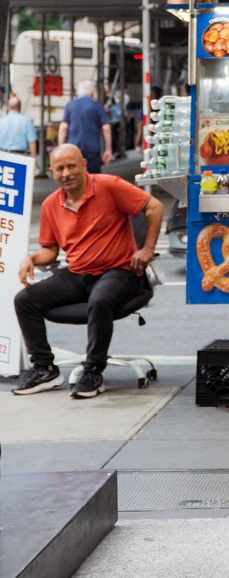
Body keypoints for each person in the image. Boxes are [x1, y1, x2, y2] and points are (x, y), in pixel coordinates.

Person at [11, 144, 162, 399]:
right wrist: (32, 258)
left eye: (71, 166)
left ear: (83, 164)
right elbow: (50, 250)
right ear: (51, 172)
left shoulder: (109, 185)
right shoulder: (50, 205)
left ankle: (93, 371)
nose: (66, 173)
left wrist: (147, 248)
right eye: (60, 168)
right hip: (78, 273)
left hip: (121, 271)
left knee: (100, 300)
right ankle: (44, 368)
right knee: (25, 300)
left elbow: (154, 206)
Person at [58, 80, 112, 173]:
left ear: (78, 92)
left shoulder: (70, 105)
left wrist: (61, 148)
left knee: (75, 178)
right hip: (93, 149)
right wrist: (108, 149)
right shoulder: (97, 106)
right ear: (92, 92)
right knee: (93, 180)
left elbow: (63, 128)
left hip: (73, 150)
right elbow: (106, 128)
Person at [0, 92, 37, 170]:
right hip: (20, 157)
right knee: (19, 180)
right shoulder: (26, 121)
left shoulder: (1, 121)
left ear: (8, 107)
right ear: (19, 107)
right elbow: (32, 142)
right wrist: (34, 160)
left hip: (2, 156)